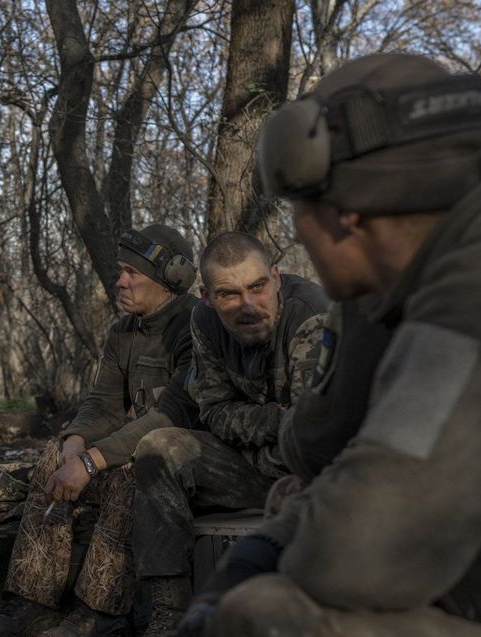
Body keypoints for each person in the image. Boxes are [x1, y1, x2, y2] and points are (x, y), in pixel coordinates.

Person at [183, 53, 481, 636]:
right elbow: (319, 452)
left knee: (262, 619)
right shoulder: (395, 285)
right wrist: (253, 557)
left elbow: (358, 555)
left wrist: (257, 570)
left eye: (298, 210)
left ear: (346, 216)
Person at [0, 225, 200, 637]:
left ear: (171, 279)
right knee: (52, 457)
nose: (121, 281)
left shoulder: (194, 327)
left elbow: (174, 414)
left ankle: (100, 612)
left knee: (131, 474)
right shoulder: (123, 331)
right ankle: (32, 602)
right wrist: (75, 443)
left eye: (133, 273)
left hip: (174, 458)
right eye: (120, 271)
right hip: (128, 444)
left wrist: (92, 461)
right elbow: (103, 403)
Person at [132, 231, 327, 635]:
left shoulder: (310, 315)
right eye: (229, 294)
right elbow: (214, 410)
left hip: (315, 473)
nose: (248, 306)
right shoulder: (203, 321)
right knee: (158, 449)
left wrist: (261, 437)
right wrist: (275, 423)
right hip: (254, 462)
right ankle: (169, 611)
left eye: (258, 287)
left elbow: (314, 432)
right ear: (206, 297)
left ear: (275, 277)